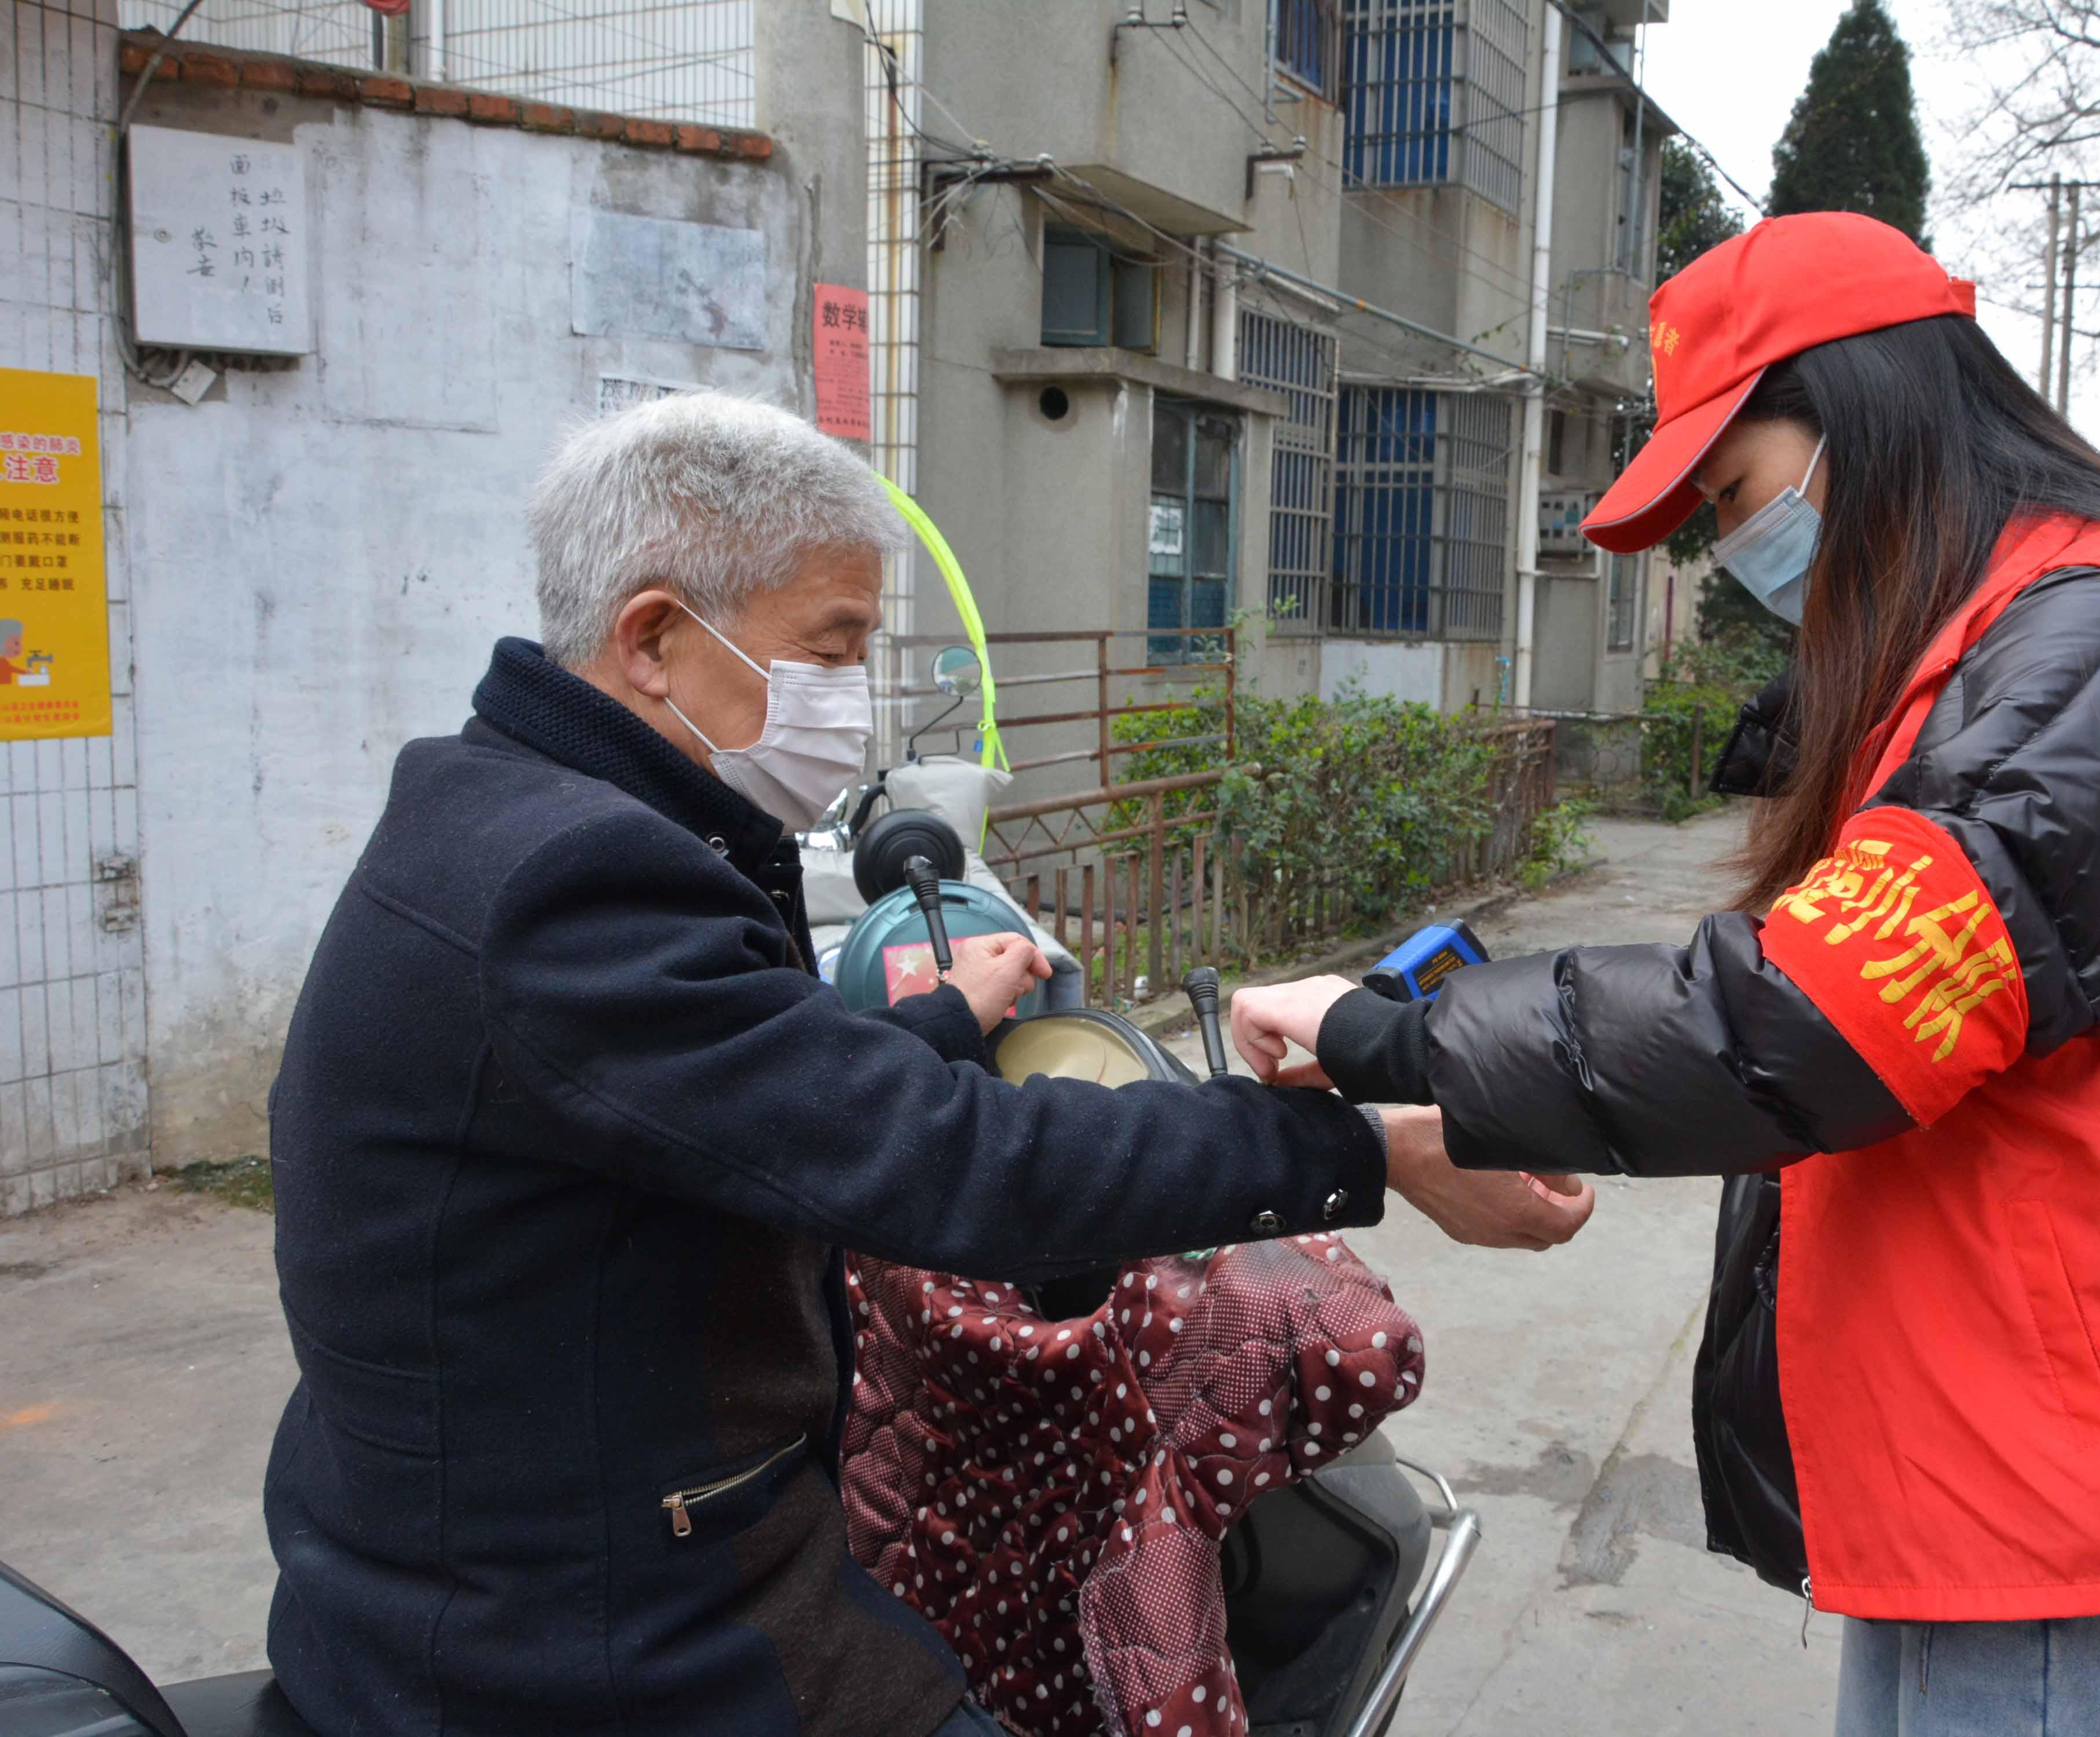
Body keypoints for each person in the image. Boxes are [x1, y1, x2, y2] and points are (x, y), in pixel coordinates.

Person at [1230, 213, 2100, 1737]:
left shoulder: (2097, 641)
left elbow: (1809, 1017)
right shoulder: (2004, 638)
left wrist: (1396, 1038)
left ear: (1865, 413)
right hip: (2029, 1436)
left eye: (1737, 496)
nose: (1740, 553)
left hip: (2071, 1464)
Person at [260, 393, 1592, 1737]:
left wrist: (944, 1021)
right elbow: (950, 1162)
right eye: (828, 648)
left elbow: (721, 1098)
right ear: (655, 638)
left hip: (523, 1553)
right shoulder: (577, 882)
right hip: (587, 1638)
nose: (851, 698)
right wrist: (1369, 1149)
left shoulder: (513, 808)